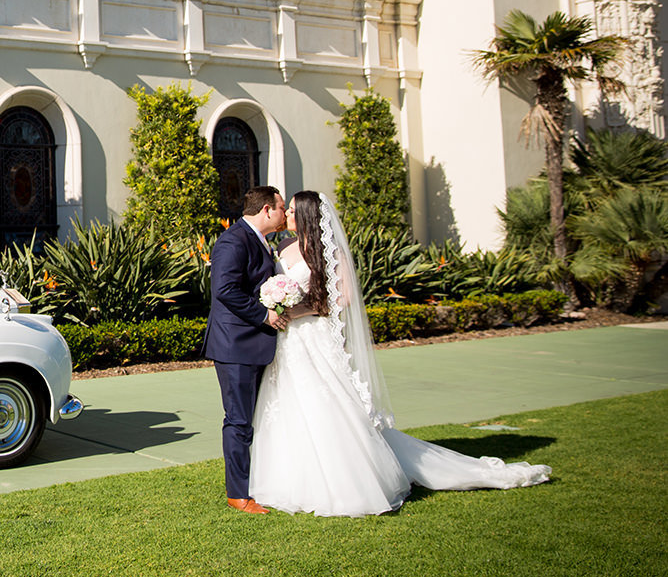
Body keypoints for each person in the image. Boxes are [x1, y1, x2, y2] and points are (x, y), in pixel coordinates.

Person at [248, 190, 551, 516]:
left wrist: (299, 310)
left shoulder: (326, 250)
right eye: (287, 209)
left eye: (293, 210)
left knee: (324, 402)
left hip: (313, 335)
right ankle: (290, 478)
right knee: (288, 404)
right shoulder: (281, 247)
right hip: (288, 341)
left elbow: (343, 297)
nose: (288, 214)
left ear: (308, 215)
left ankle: (347, 481)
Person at [206, 185, 288, 514]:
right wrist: (264, 314)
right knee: (239, 421)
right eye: (282, 207)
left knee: (253, 418)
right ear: (267, 210)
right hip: (236, 345)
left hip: (255, 344)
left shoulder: (262, 240)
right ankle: (238, 494)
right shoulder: (233, 239)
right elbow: (224, 288)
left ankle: (257, 482)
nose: (285, 214)